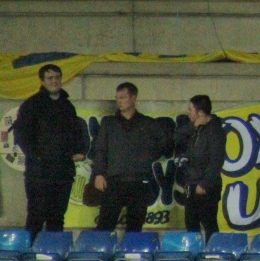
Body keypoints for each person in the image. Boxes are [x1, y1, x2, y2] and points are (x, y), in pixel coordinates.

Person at [13, 64, 89, 237]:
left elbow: (77, 133)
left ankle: (53, 252)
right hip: (39, 174)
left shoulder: (67, 106)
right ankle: (31, 252)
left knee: (57, 218)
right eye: (50, 78)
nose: (54, 81)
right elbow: (22, 136)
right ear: (42, 81)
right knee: (36, 217)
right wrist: (39, 158)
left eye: (57, 77)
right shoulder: (31, 105)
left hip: (63, 172)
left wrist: (80, 151)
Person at [90, 82, 173, 232]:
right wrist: (99, 173)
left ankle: (132, 249)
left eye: (123, 97)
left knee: (135, 227)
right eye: (117, 98)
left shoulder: (147, 123)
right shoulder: (109, 123)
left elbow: (165, 143)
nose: (119, 101)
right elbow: (100, 150)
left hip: (139, 181)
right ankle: (101, 248)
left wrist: (148, 156)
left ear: (133, 98)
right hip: (114, 180)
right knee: (104, 225)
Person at [174, 94, 226, 241]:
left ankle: (212, 252)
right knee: (191, 224)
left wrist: (204, 183)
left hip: (207, 186)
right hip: (191, 183)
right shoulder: (194, 129)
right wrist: (192, 127)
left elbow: (216, 160)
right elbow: (176, 137)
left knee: (209, 223)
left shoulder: (215, 131)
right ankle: (194, 252)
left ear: (200, 112)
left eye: (191, 109)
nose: (188, 113)